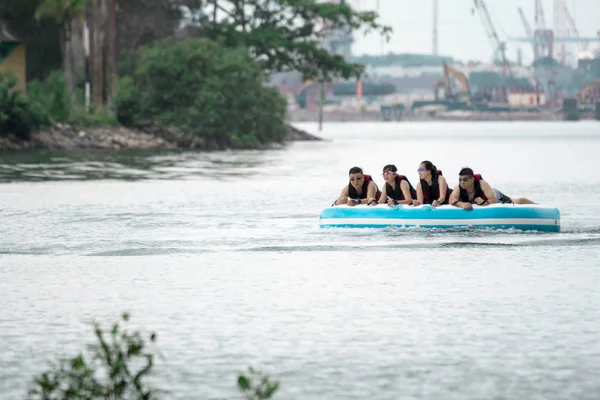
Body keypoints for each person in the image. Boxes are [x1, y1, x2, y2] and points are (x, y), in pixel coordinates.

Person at [449, 167, 535, 210]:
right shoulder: (459, 187)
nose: (462, 182)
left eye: (465, 179)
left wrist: (483, 202)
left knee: (516, 202)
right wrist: (462, 204)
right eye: (460, 179)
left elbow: (493, 200)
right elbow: (452, 199)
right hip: (485, 200)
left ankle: (537, 206)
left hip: (495, 196)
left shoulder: (482, 183)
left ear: (472, 179)